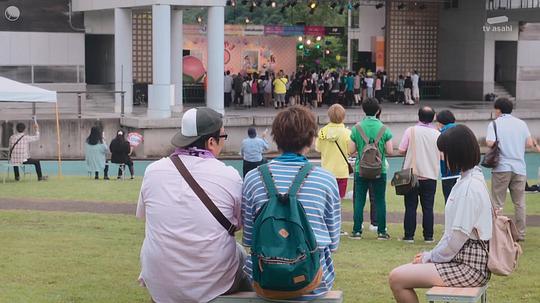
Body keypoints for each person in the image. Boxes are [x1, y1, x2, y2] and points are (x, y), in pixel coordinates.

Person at [136, 107, 251, 303]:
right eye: (223, 136)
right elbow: (241, 225)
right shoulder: (229, 176)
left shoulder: (153, 171)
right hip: (213, 281)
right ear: (211, 142)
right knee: (242, 255)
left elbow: (149, 215)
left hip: (159, 280)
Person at [242, 106, 341, 300]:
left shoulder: (253, 178)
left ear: (275, 138)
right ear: (311, 138)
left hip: (265, 277)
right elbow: (333, 242)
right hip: (313, 282)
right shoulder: (325, 179)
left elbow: (248, 239)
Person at [389, 125, 493, 303]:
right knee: (401, 274)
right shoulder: (471, 178)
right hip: (466, 261)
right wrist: (430, 255)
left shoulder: (468, 187)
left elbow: (455, 241)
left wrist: (429, 257)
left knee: (396, 278)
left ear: (456, 153)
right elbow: (451, 236)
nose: (442, 158)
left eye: (444, 153)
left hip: (468, 266)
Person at [486, 98, 538, 241]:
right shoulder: (521, 123)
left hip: (502, 166)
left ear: (498, 109)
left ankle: (497, 232)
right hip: (519, 167)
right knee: (520, 203)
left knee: (497, 202)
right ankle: (521, 233)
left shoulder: (494, 124)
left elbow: (490, 142)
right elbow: (529, 143)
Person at [348, 98, 393, 240]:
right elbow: (390, 151)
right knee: (380, 200)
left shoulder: (357, 128)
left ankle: (356, 231)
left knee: (359, 200)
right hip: (380, 170)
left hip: (360, 169)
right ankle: (381, 231)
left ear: (363, 110)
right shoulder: (384, 129)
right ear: (378, 111)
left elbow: (350, 150)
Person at [398, 107, 440, 243]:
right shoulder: (437, 134)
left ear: (418, 116)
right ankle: (428, 236)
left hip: (412, 174)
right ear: (433, 118)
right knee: (428, 207)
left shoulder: (410, 131)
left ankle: (409, 235)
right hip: (430, 175)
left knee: (410, 206)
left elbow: (401, 150)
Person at [316, 104, 351, 200]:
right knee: (339, 199)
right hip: (342, 171)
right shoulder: (347, 133)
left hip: (326, 171)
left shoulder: (322, 132)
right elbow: (351, 150)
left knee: (327, 199)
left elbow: (318, 148)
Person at [436, 110, 459, 203]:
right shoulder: (461, 130)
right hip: (463, 172)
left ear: (440, 122)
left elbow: (442, 154)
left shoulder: (442, 133)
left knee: (449, 201)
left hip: (448, 173)